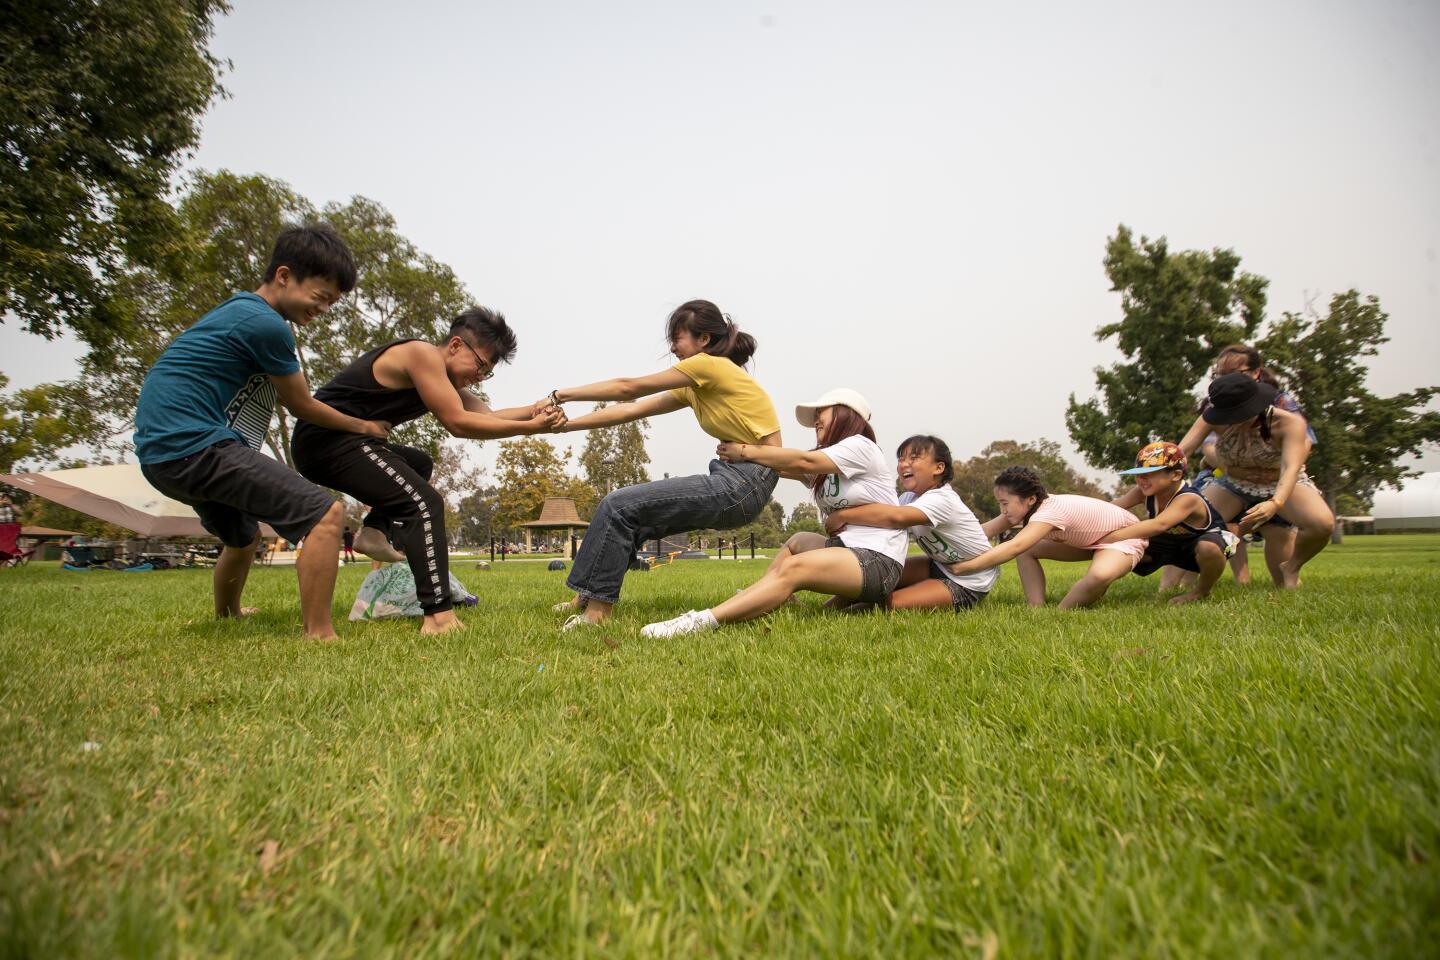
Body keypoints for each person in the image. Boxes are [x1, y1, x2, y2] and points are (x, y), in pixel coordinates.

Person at [133, 224, 390, 640]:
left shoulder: (236, 313)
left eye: (332, 302)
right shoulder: (265, 324)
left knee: (243, 536)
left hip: (162, 455)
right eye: (320, 297)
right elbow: (301, 404)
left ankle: (228, 614)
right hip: (193, 446)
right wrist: (363, 425)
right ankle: (320, 634)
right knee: (324, 514)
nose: (323, 309)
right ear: (284, 276)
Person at [291, 307, 563, 635]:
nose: (480, 376)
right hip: (325, 440)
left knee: (420, 464)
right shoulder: (420, 355)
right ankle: (437, 616)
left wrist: (536, 410)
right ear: (456, 345)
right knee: (424, 502)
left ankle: (374, 531)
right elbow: (458, 424)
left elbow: (488, 416)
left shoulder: (442, 377)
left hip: (351, 443)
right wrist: (533, 427)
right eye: (480, 365)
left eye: (487, 373)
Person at [545, 300, 782, 630]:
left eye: (678, 336)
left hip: (745, 482)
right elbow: (632, 409)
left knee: (618, 506)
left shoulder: (709, 366)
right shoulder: (695, 384)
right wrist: (566, 425)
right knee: (632, 521)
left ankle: (596, 616)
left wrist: (560, 395)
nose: (672, 346)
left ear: (703, 340)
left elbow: (629, 387)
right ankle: (584, 597)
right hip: (738, 479)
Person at [640, 389, 907, 637]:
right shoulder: (828, 464)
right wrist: (742, 455)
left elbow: (803, 461)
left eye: (820, 414)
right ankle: (764, 596)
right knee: (798, 542)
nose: (816, 421)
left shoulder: (860, 446)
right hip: (850, 550)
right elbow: (782, 466)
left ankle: (700, 622)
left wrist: (745, 450)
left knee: (795, 568)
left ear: (845, 413)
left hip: (878, 561)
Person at [1179, 372, 1333, 588]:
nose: (1231, 422)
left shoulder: (1289, 423)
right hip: (1234, 482)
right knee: (1185, 521)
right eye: (1226, 416)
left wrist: (1275, 503)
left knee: (1322, 523)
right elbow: (1181, 452)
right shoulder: (1211, 419)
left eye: (1238, 415)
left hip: (1280, 482)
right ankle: (1184, 580)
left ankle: (1291, 567)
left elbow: (1290, 468)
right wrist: (1157, 476)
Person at [821, 435, 1003, 612]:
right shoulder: (908, 498)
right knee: (871, 582)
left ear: (939, 468)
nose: (903, 464)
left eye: (914, 458)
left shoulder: (942, 499)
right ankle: (823, 611)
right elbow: (879, 516)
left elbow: (896, 517)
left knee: (892, 604)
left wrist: (843, 515)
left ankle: (843, 616)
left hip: (968, 581)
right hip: (938, 564)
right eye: (901, 459)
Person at [945, 467, 1148, 609]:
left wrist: (965, 567)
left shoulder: (1048, 512)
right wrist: (945, 543)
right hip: (1091, 542)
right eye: (999, 503)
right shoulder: (1027, 507)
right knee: (1028, 550)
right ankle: (1037, 607)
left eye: (1005, 503)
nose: (1002, 510)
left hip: (1123, 539)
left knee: (1099, 576)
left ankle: (1062, 612)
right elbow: (982, 532)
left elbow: (1014, 546)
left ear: (1031, 499)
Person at [1101, 442, 1234, 605]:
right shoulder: (1142, 492)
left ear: (1176, 475)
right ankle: (1098, 584)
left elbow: (1159, 525)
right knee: (1124, 547)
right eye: (1138, 474)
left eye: (1149, 473)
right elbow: (1108, 508)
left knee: (1209, 548)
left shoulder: (1188, 498)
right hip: (1170, 542)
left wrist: (1110, 537)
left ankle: (1201, 591)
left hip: (1201, 542)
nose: (1140, 479)